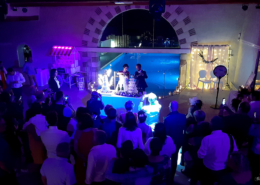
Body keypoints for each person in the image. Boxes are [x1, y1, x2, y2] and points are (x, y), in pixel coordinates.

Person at [198, 116, 238, 185]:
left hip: (209, 168)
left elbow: (200, 155)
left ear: (211, 125)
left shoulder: (207, 139)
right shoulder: (230, 137)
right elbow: (235, 151)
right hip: (224, 168)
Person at [164, 101, 186, 183]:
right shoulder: (183, 117)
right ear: (177, 107)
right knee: (175, 158)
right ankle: (172, 177)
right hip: (179, 140)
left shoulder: (168, 119)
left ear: (170, 107)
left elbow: (166, 133)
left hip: (170, 142)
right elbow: (185, 129)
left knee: (166, 158)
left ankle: (167, 176)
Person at [74, 113, 97, 185]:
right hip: (94, 160)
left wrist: (81, 157)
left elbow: (76, 149)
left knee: (81, 179)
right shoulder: (95, 131)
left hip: (81, 160)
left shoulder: (78, 133)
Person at [0, 117, 18, 185]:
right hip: (4, 173)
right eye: (3, 124)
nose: (5, 126)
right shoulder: (1, 141)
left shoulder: (2, 137)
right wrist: (9, 171)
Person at [248, 119, 260, 184]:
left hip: (257, 152)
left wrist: (253, 125)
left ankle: (256, 180)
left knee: (255, 169)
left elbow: (250, 132)